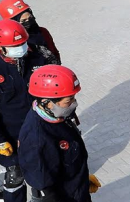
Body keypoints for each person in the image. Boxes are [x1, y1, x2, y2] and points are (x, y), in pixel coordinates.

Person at [18, 65, 100, 202]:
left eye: (73, 98)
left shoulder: (56, 115)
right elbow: (46, 187)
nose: (74, 104)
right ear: (47, 102)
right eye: (69, 101)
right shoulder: (37, 140)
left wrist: (81, 179)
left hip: (76, 189)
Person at [0, 20, 50, 202]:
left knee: (43, 169)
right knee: (15, 175)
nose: (20, 48)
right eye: (14, 46)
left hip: (38, 129)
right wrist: (1, 141)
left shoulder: (37, 58)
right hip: (9, 135)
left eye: (22, 43)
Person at [0, 0, 61, 64]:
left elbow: (54, 52)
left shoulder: (43, 32)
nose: (28, 22)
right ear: (14, 22)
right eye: (24, 20)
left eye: (30, 18)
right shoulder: (14, 43)